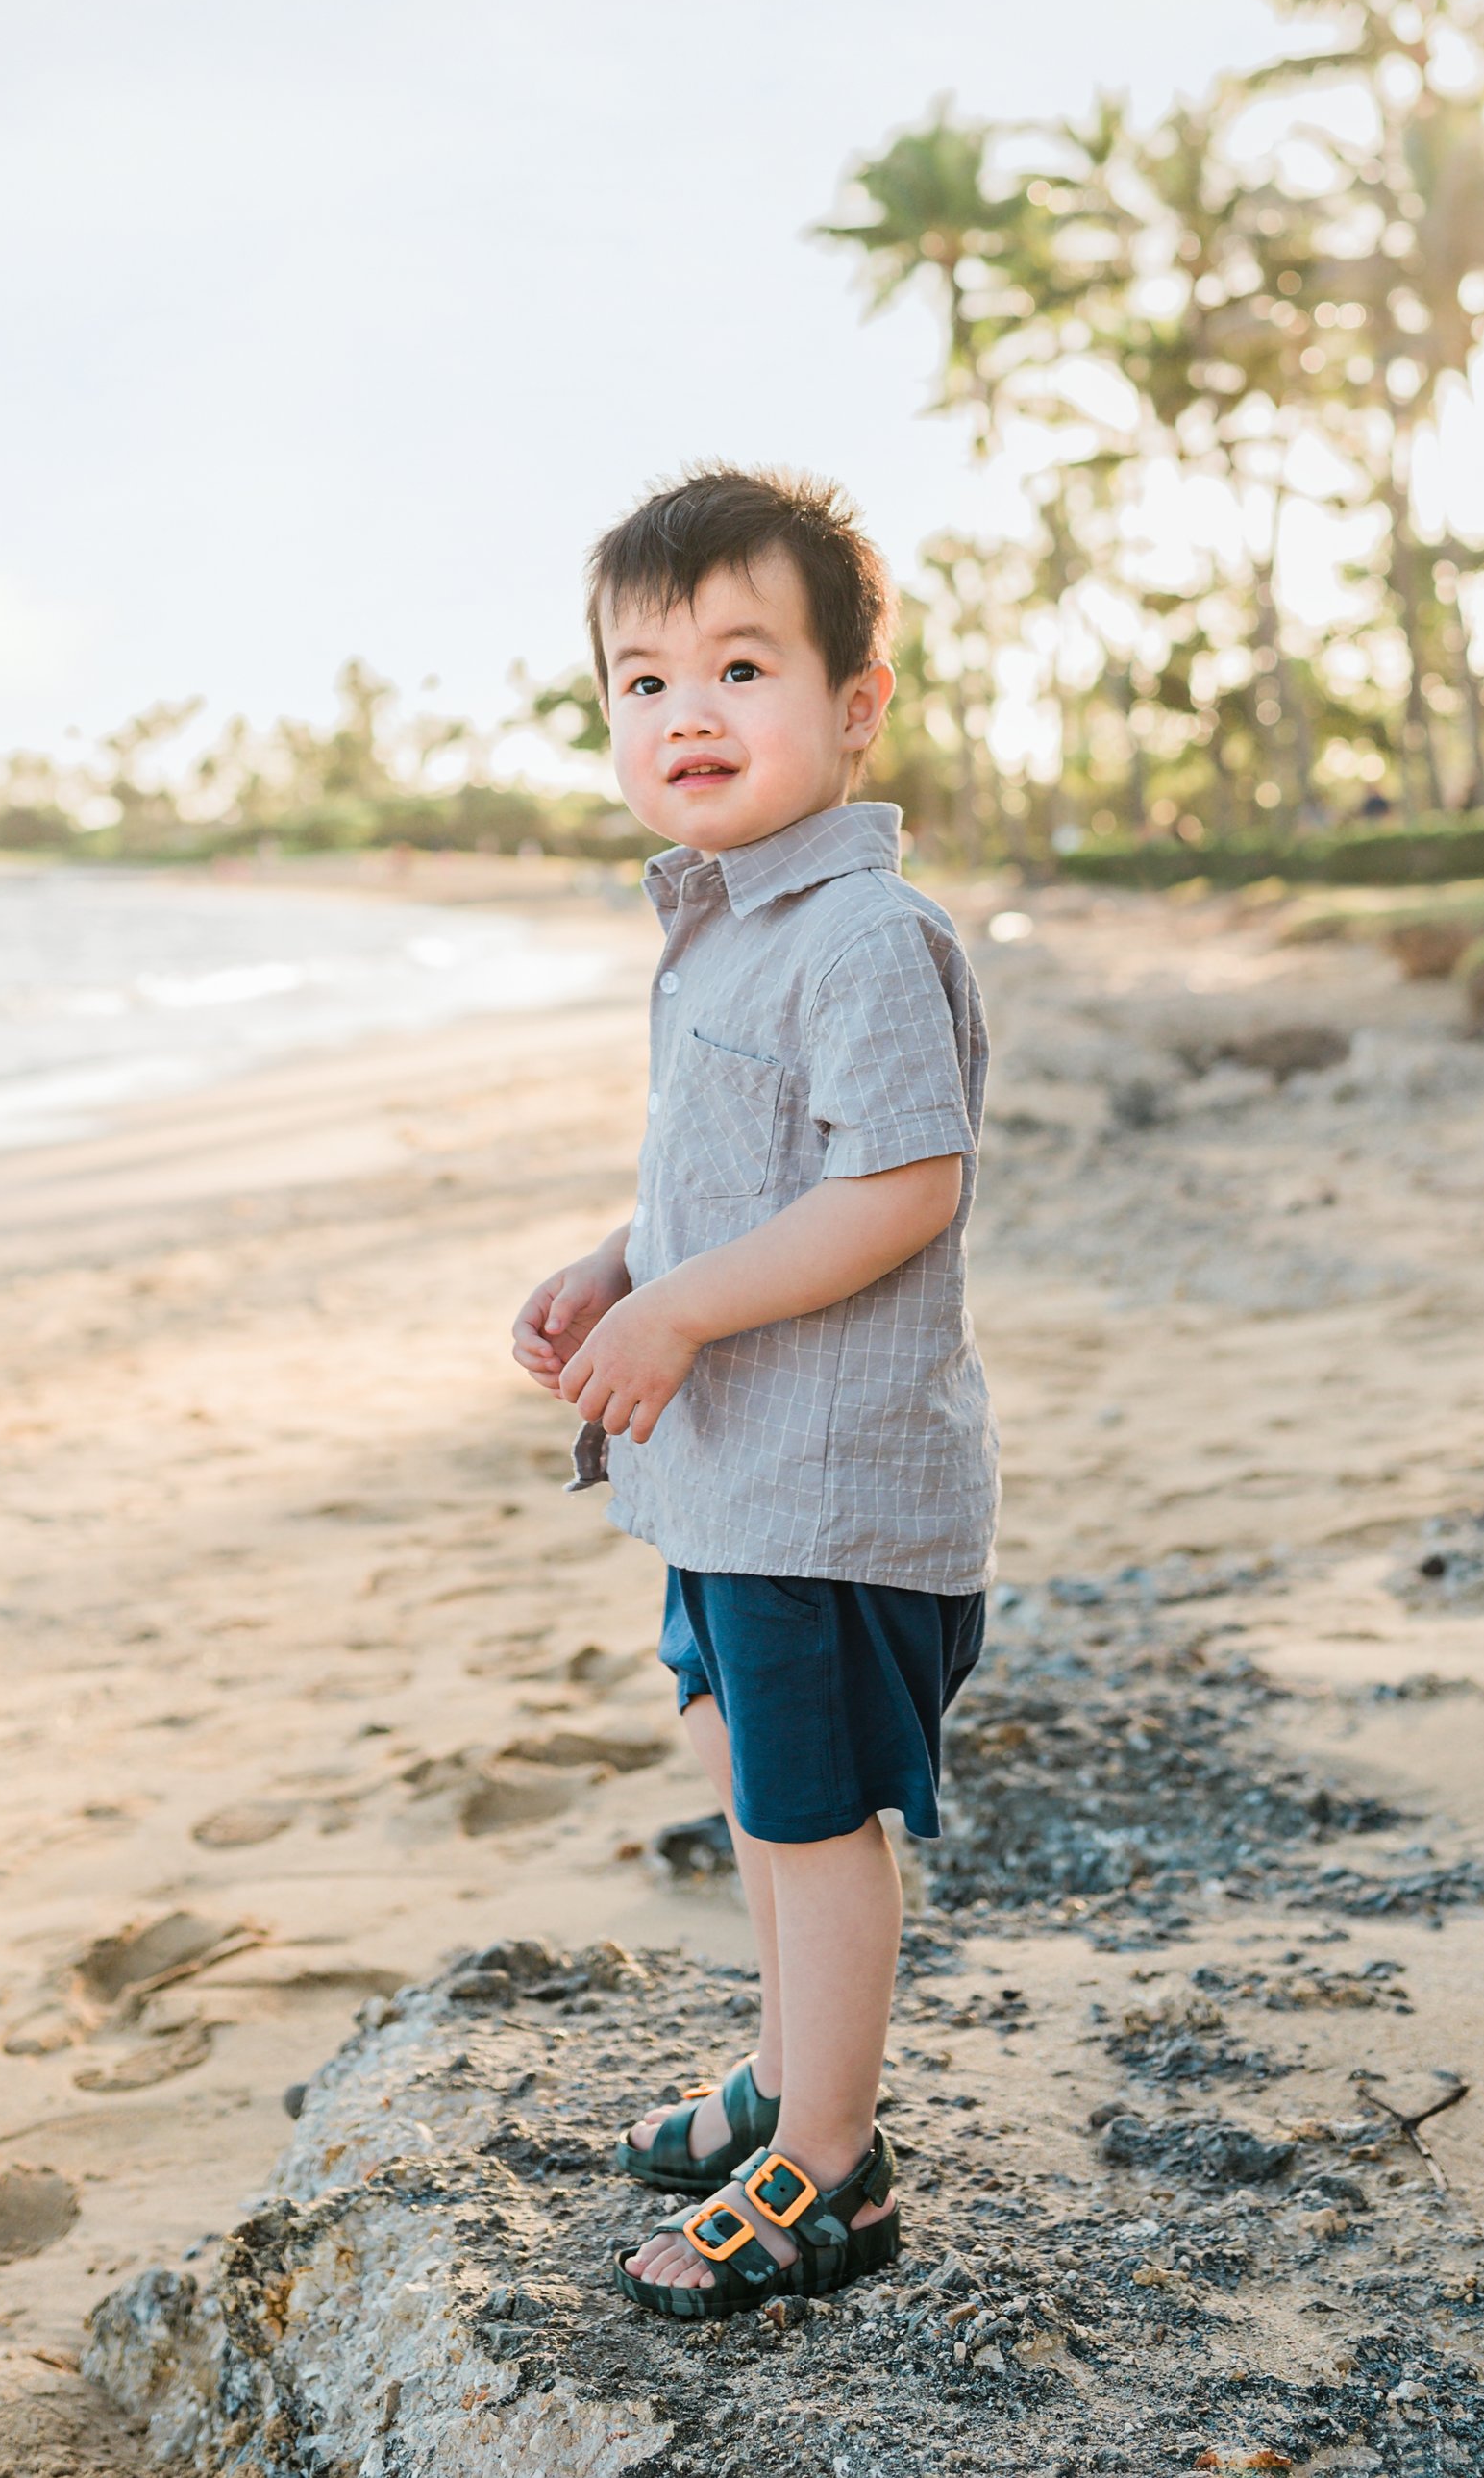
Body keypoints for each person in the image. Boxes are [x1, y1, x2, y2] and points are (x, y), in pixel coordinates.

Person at [511, 464, 997, 2320]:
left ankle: (833, 2169)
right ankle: (792, 2086)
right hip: (731, 1486)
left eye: (739, 665)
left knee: (812, 1820)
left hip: (827, 1485)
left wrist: (686, 1312)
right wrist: (619, 1265)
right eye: (644, 681)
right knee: (750, 1785)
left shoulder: (869, 933)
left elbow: (898, 1185)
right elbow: (731, 1170)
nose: (685, 712)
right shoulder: (727, 920)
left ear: (855, 704)